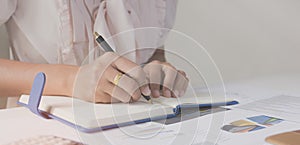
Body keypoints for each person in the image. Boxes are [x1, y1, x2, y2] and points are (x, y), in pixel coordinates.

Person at [0, 0, 188, 103]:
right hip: (45, 133)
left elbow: (153, 49)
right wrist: (72, 80)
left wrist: (156, 72)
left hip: (136, 132)